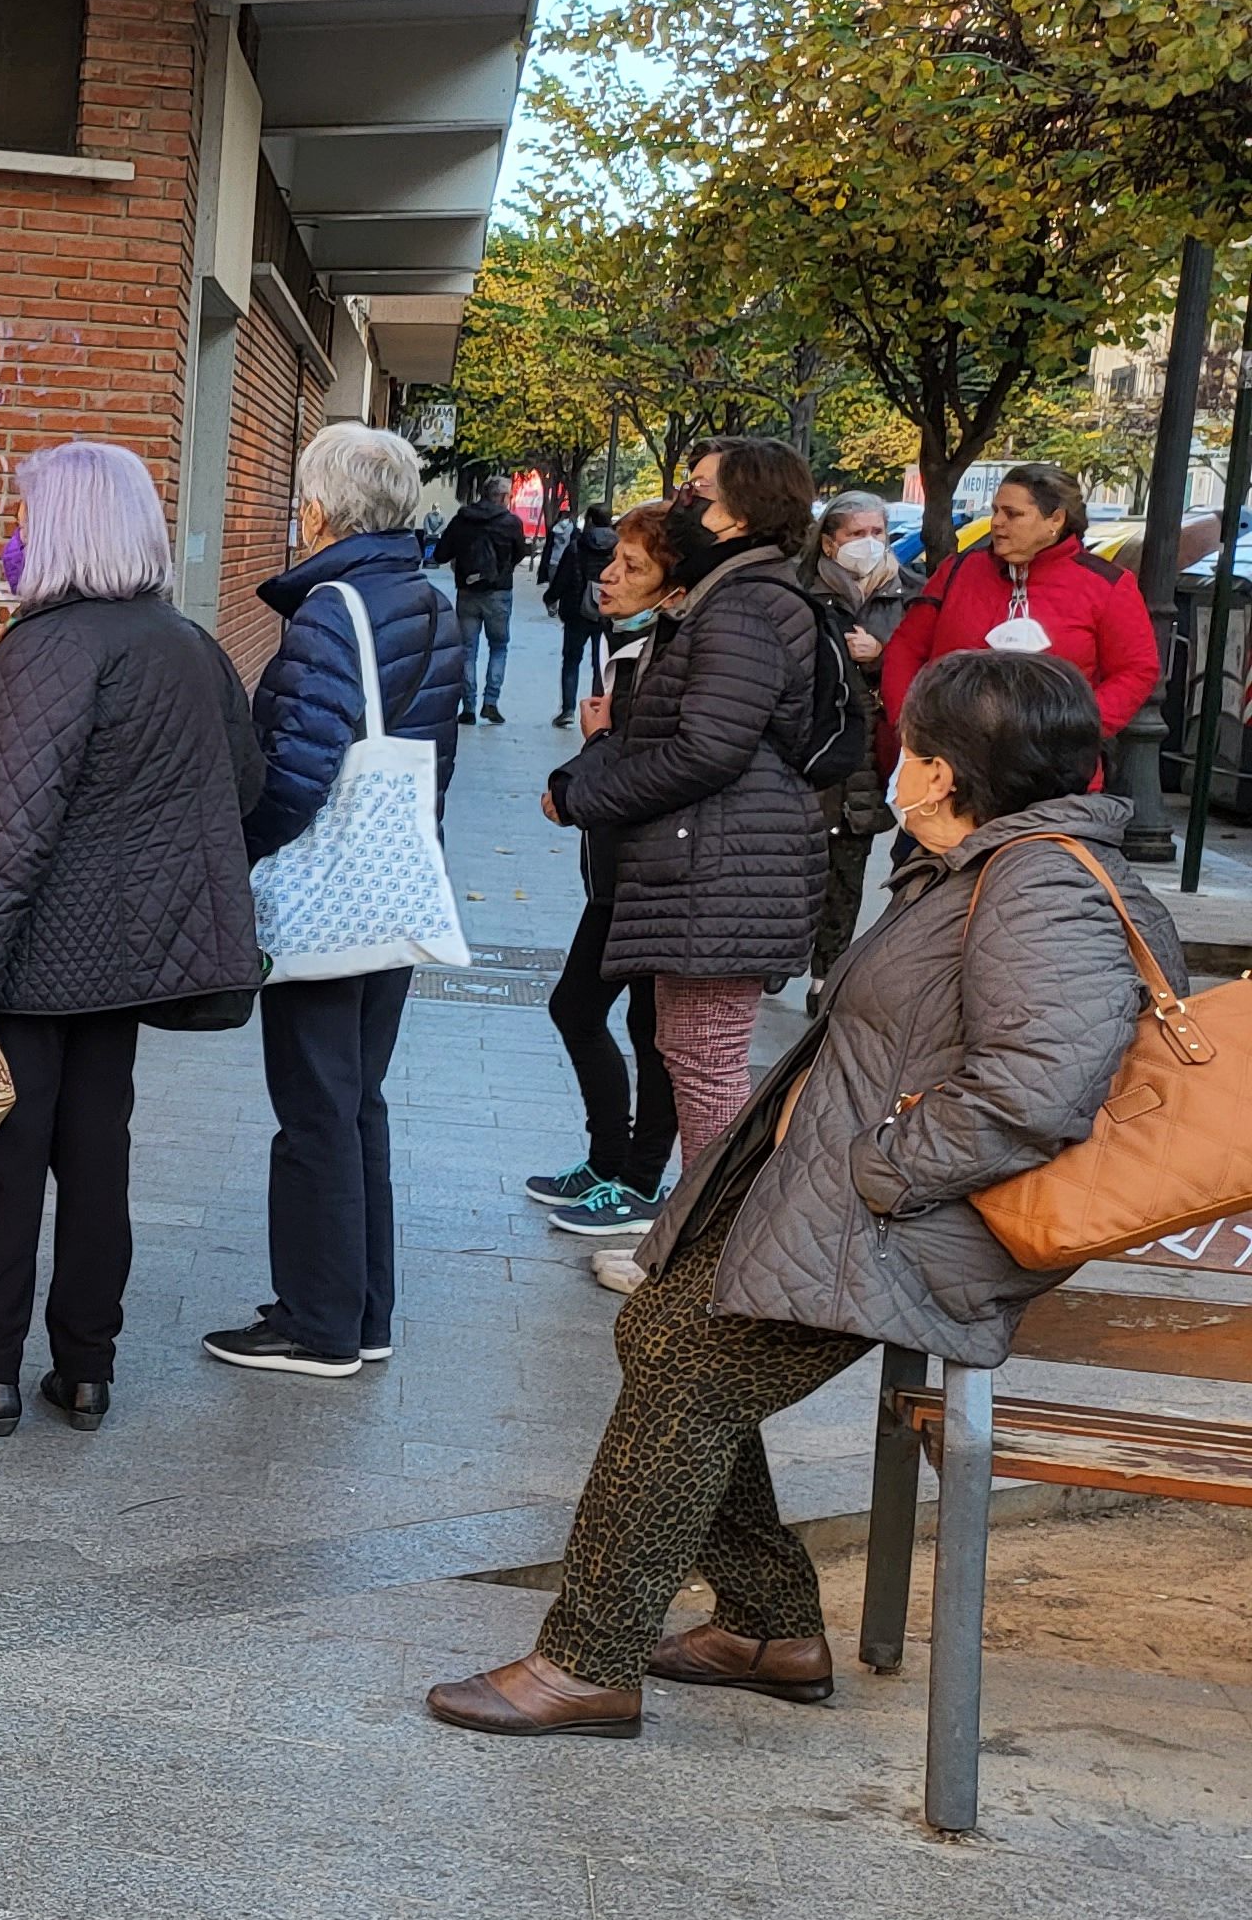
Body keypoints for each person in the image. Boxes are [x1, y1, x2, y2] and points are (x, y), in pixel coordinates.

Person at [431, 651, 1179, 1735]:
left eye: (908, 744)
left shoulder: (1042, 885)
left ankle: (587, 1660)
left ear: (944, 770)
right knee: (665, 1341)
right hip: (863, 1197)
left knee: (686, 1374)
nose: (892, 759)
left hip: (916, 1219)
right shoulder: (980, 863)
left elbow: (1033, 1090)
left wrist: (878, 1168)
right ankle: (771, 1626)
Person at [0, 442, 260, 1433]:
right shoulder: (187, 644)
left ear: (59, 531)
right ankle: (85, 1368)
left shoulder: (47, 649)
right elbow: (244, 793)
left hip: (25, 963)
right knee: (97, 1160)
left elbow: (8, 835)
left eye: (24, 517)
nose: (11, 535)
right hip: (126, 966)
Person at [206, 422, 465, 1381]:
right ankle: (362, 1312)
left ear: (320, 507)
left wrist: (241, 849)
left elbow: (301, 767)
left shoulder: (329, 608)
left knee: (314, 1109)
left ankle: (315, 1326)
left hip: (327, 895)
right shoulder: (424, 598)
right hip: (393, 884)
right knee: (357, 1102)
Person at [547, 438, 827, 1192]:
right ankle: (688, 1243)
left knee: (704, 1068)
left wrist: (582, 795)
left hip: (721, 870)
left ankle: (703, 1259)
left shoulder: (743, 608)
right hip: (706, 863)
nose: (682, 503)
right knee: (690, 1055)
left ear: (740, 517)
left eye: (698, 492)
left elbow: (707, 749)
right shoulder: (734, 599)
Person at [527, 502, 693, 1253]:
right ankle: (611, 1162)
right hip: (620, 870)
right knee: (592, 1011)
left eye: (633, 567)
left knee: (636, 1024)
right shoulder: (631, 645)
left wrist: (587, 759)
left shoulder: (668, 654)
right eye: (613, 561)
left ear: (672, 586)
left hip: (654, 875)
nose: (608, 575)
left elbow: (645, 766)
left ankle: (636, 1178)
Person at [880, 460, 1160, 748]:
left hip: (1051, 765)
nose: (997, 522)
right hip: (951, 758)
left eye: (1012, 514)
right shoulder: (958, 571)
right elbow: (905, 648)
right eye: (995, 511)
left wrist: (1076, 730)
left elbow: (1136, 670)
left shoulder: (1107, 585)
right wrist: (908, 724)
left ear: (1056, 520)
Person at [811, 488, 914, 981]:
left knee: (847, 869)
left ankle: (825, 973)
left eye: (877, 533)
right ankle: (783, 956)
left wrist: (882, 656)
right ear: (829, 543)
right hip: (810, 747)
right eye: (856, 534)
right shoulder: (802, 591)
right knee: (800, 864)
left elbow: (923, 667)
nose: (869, 543)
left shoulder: (907, 593)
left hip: (868, 752)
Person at [433, 483, 528, 724]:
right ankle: (491, 702)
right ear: (503, 497)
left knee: (467, 650)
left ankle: (468, 706)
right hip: (498, 592)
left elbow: (440, 553)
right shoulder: (511, 522)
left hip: (467, 591)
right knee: (499, 647)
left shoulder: (462, 519)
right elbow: (520, 553)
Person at [539, 498, 618, 728]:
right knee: (600, 663)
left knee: (571, 661)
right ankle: (596, 709)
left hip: (576, 611)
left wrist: (550, 597)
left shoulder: (576, 546)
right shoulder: (618, 547)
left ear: (591, 520)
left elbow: (563, 577)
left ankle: (568, 710)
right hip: (607, 612)